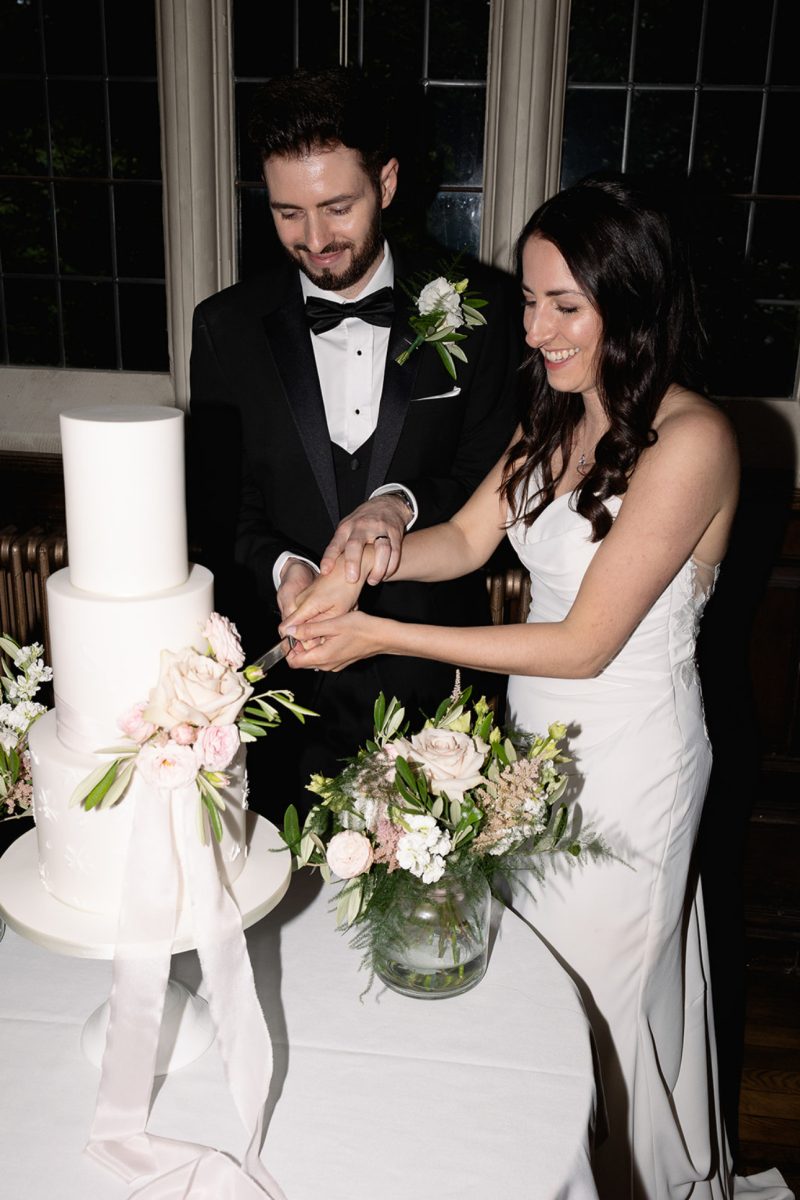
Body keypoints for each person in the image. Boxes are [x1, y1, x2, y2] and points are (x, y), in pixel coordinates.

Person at [281, 176, 793, 1200]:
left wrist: (372, 635)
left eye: (564, 306)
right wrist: (368, 558)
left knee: (603, 995)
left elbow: (585, 645)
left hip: (631, 756)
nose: (535, 327)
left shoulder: (694, 441)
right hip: (532, 757)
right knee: (535, 992)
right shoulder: (551, 411)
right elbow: (468, 537)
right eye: (528, 299)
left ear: (631, 304)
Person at [187, 67, 521, 815]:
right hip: (281, 706)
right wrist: (285, 567)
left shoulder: (485, 309)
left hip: (438, 700)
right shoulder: (224, 328)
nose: (314, 240)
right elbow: (220, 510)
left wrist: (398, 504)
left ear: (389, 183)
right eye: (287, 214)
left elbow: (487, 479)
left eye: (337, 207)